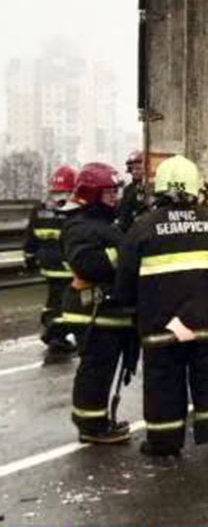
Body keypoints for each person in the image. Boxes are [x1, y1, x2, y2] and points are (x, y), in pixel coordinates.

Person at [115, 155, 208, 457]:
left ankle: (164, 443)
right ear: (195, 187)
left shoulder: (142, 227)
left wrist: (128, 306)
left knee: (163, 381)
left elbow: (125, 278)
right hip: (205, 322)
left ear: (160, 189)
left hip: (161, 325)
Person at [59, 162, 138, 444]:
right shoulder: (80, 226)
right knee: (96, 369)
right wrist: (125, 255)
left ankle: (98, 420)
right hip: (91, 310)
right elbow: (87, 264)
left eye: (116, 191)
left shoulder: (103, 225)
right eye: (109, 192)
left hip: (106, 312)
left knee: (103, 369)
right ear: (92, 194)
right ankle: (91, 427)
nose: (115, 197)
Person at [24, 165, 78, 362]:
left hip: (47, 264)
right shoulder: (71, 209)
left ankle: (52, 329)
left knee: (53, 300)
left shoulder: (40, 209)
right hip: (67, 266)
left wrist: (29, 256)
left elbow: (31, 236)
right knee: (71, 303)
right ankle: (56, 335)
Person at [116, 150, 148, 232]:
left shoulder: (149, 189)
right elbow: (123, 213)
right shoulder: (128, 189)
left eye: (138, 168)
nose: (134, 172)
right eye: (132, 168)